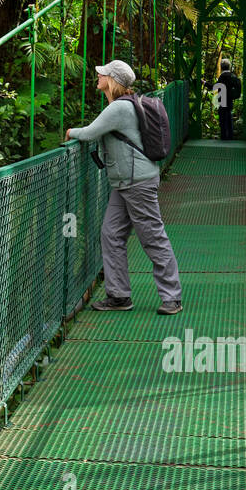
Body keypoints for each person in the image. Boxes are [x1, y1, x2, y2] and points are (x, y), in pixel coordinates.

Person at [65, 60, 183, 314]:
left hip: (137, 182)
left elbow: (88, 133)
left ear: (112, 80)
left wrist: (70, 131)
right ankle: (119, 296)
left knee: (152, 237)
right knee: (111, 234)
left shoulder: (119, 108)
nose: (98, 76)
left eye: (103, 74)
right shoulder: (121, 105)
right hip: (124, 182)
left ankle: (172, 297)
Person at [213, 59, 242, 141]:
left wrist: (205, 83)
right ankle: (230, 136)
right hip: (229, 100)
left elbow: (215, 87)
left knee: (222, 119)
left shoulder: (222, 77)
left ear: (221, 67)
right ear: (229, 67)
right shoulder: (233, 76)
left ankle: (223, 137)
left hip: (222, 101)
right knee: (229, 117)